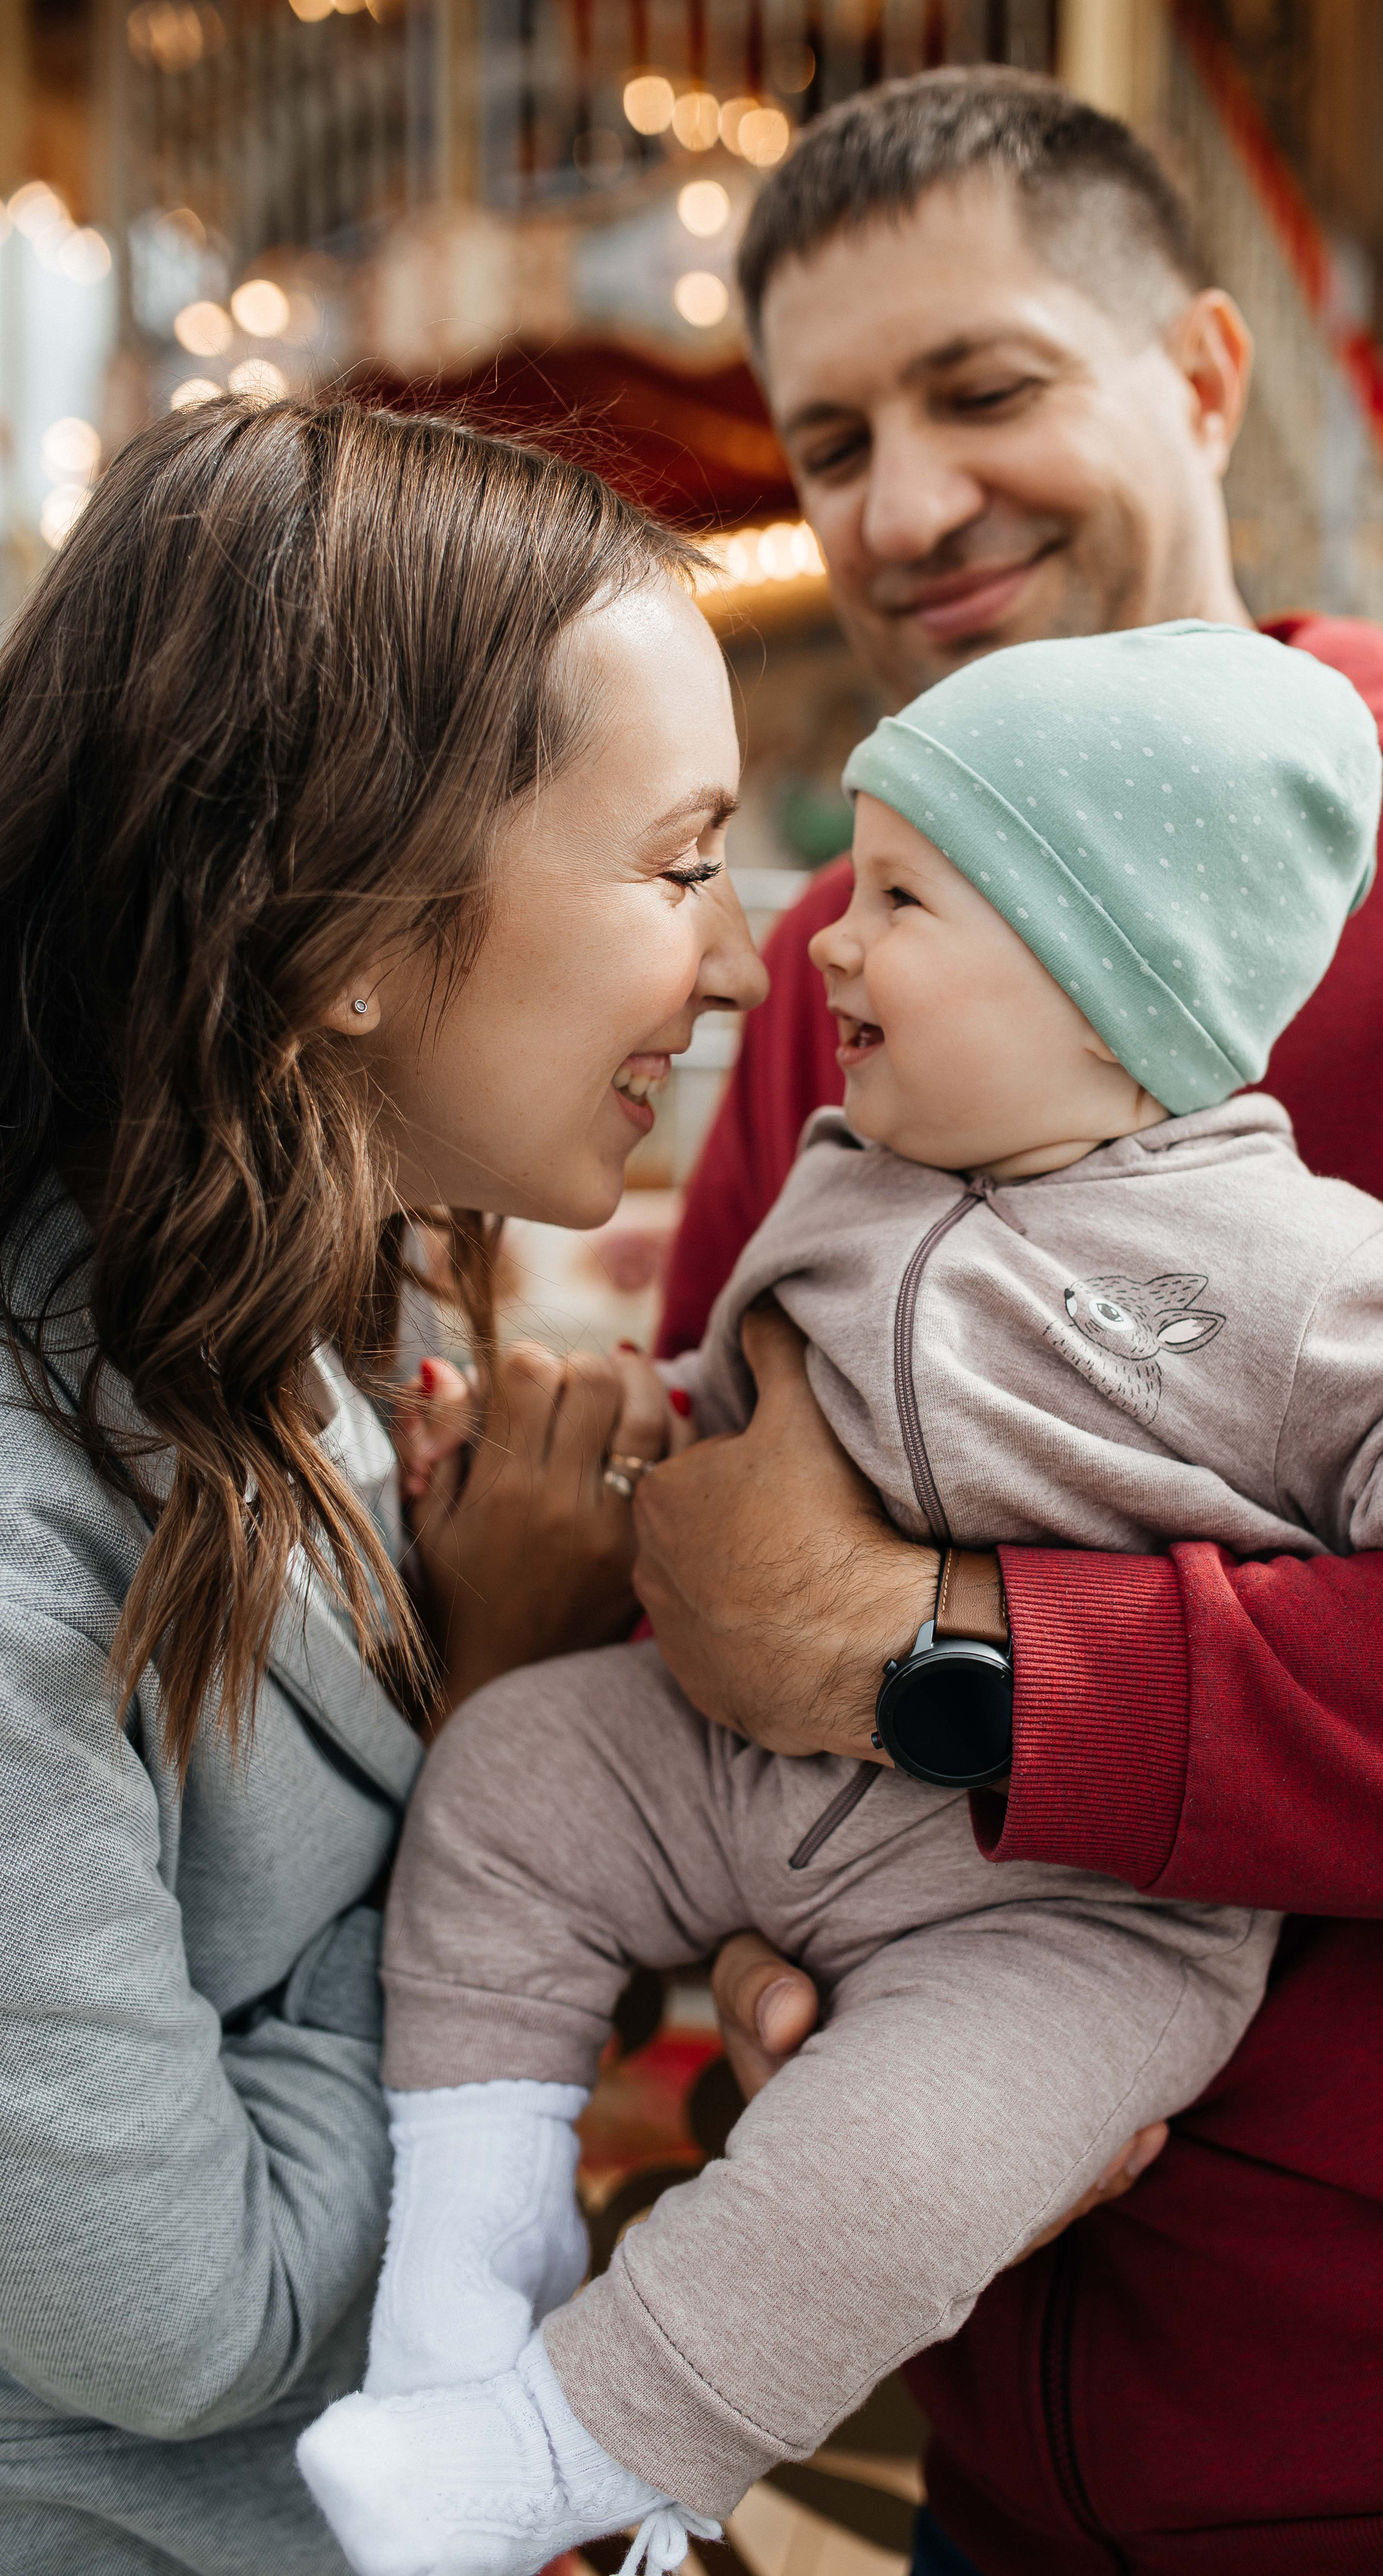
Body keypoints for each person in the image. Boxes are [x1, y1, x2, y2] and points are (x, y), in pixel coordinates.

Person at [630, 68, 1383, 2576]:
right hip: (1015, 2432)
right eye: (830, 440)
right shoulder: (834, 971)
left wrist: (955, 1661)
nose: (902, 509)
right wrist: (791, 1933)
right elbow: (714, 1570)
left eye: (985, 390)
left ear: (1208, 376)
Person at [302, 623, 1383, 2576]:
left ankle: (570, 2449)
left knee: (892, 2162)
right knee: (513, 1775)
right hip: (748, 1765)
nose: (828, 942)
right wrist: (605, 1449)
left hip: (1073, 1912)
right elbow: (741, 1402)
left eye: (905, 896)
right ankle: (459, 2265)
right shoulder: (850, 1173)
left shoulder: (1274, 1251)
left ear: (1109, 980)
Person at [0, 392, 766, 2576]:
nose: (730, 964)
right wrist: (493, 1709)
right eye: (680, 861)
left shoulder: (319, 1329)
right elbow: (195, 2315)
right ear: (343, 922)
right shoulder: (21, 1524)